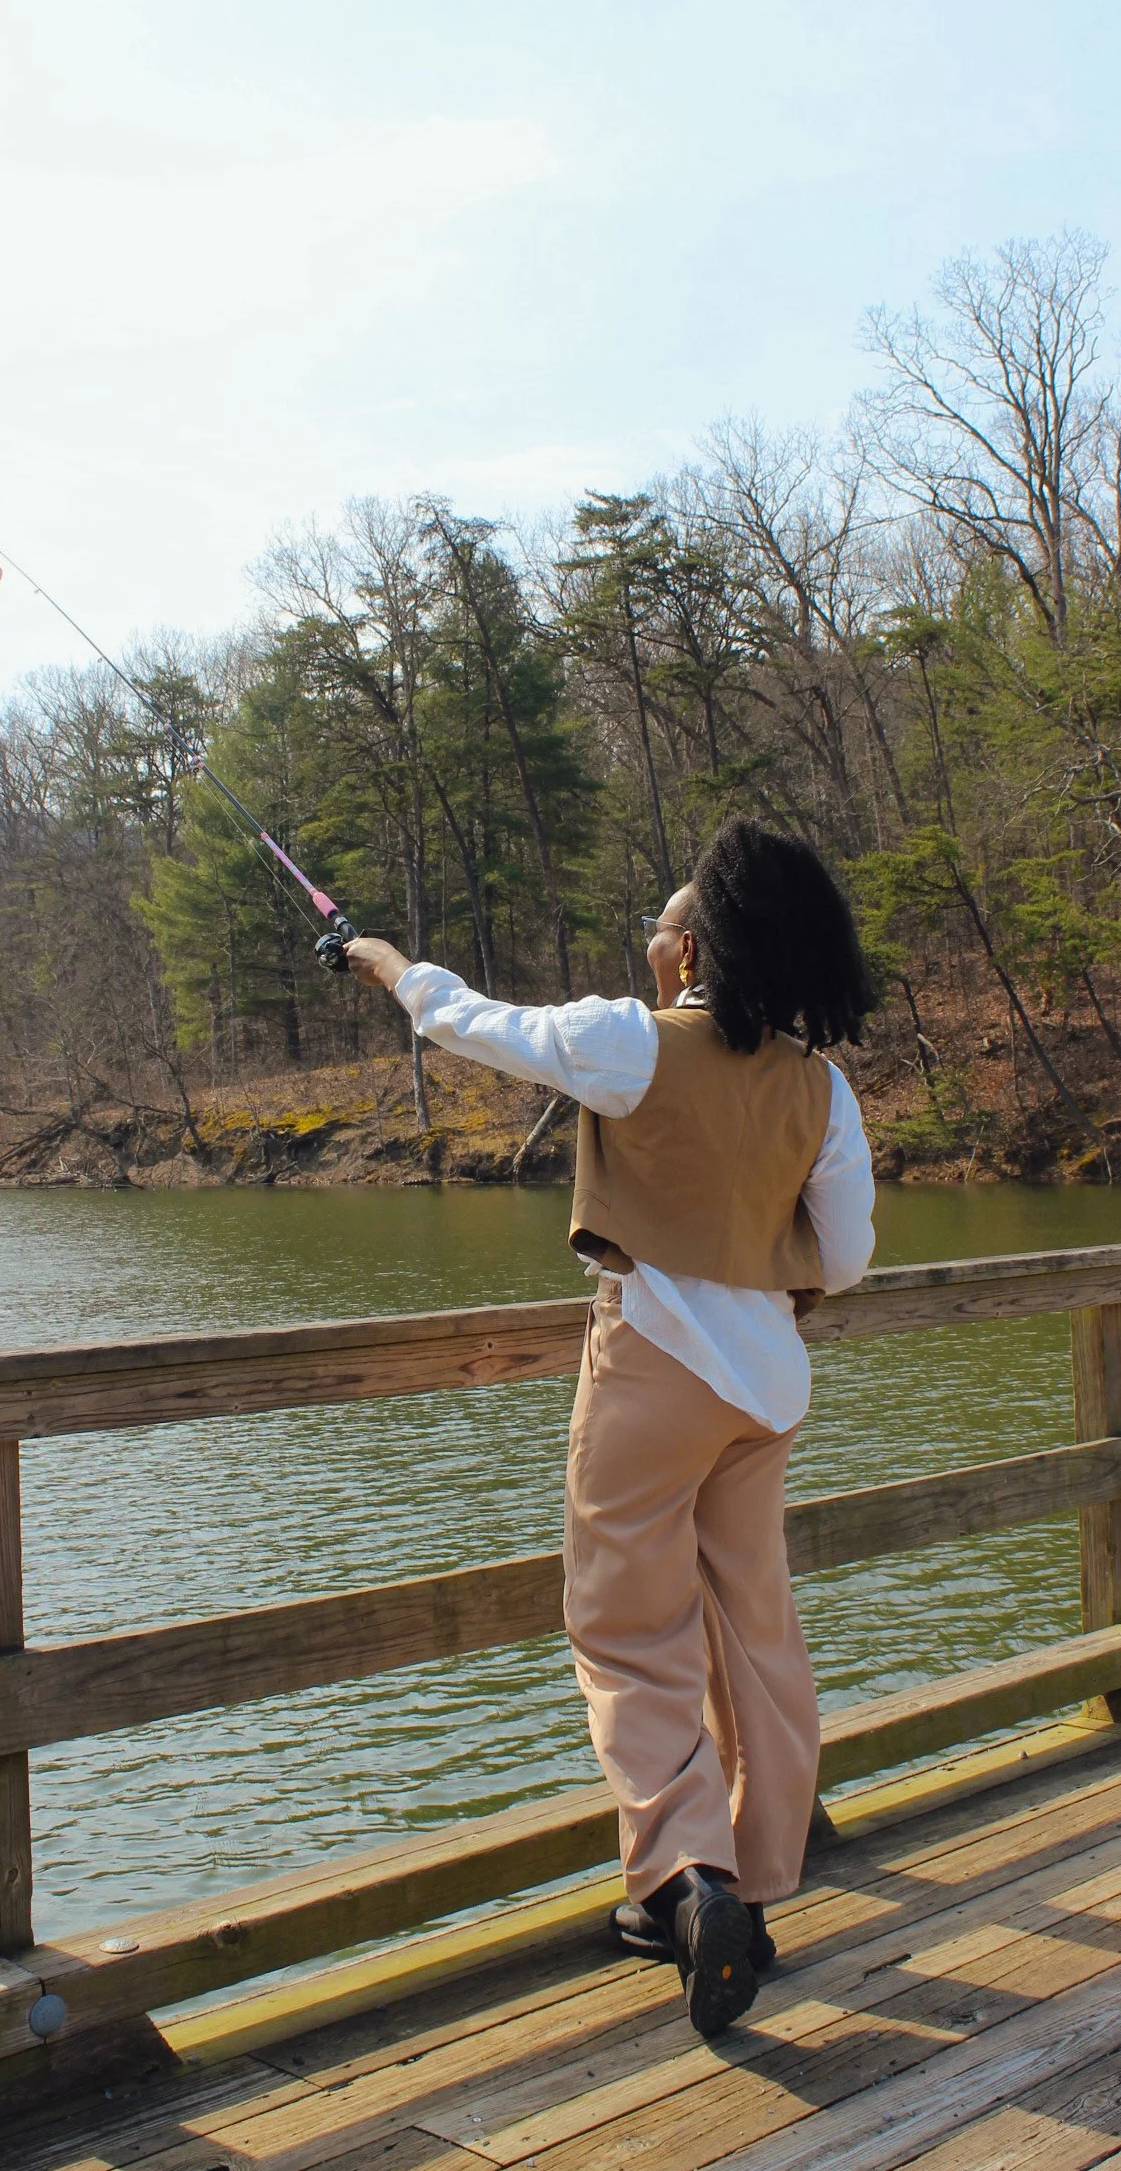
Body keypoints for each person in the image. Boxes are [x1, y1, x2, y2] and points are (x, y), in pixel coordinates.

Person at [343, 818, 877, 2040]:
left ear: (693, 951)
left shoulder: (633, 1044)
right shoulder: (821, 1085)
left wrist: (391, 968)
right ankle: (752, 1881)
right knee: (756, 1632)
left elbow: (478, 1023)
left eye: (664, 929)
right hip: (765, 1392)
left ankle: (685, 1886)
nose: (651, 942)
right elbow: (843, 1257)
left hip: (651, 1373)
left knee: (627, 1632)